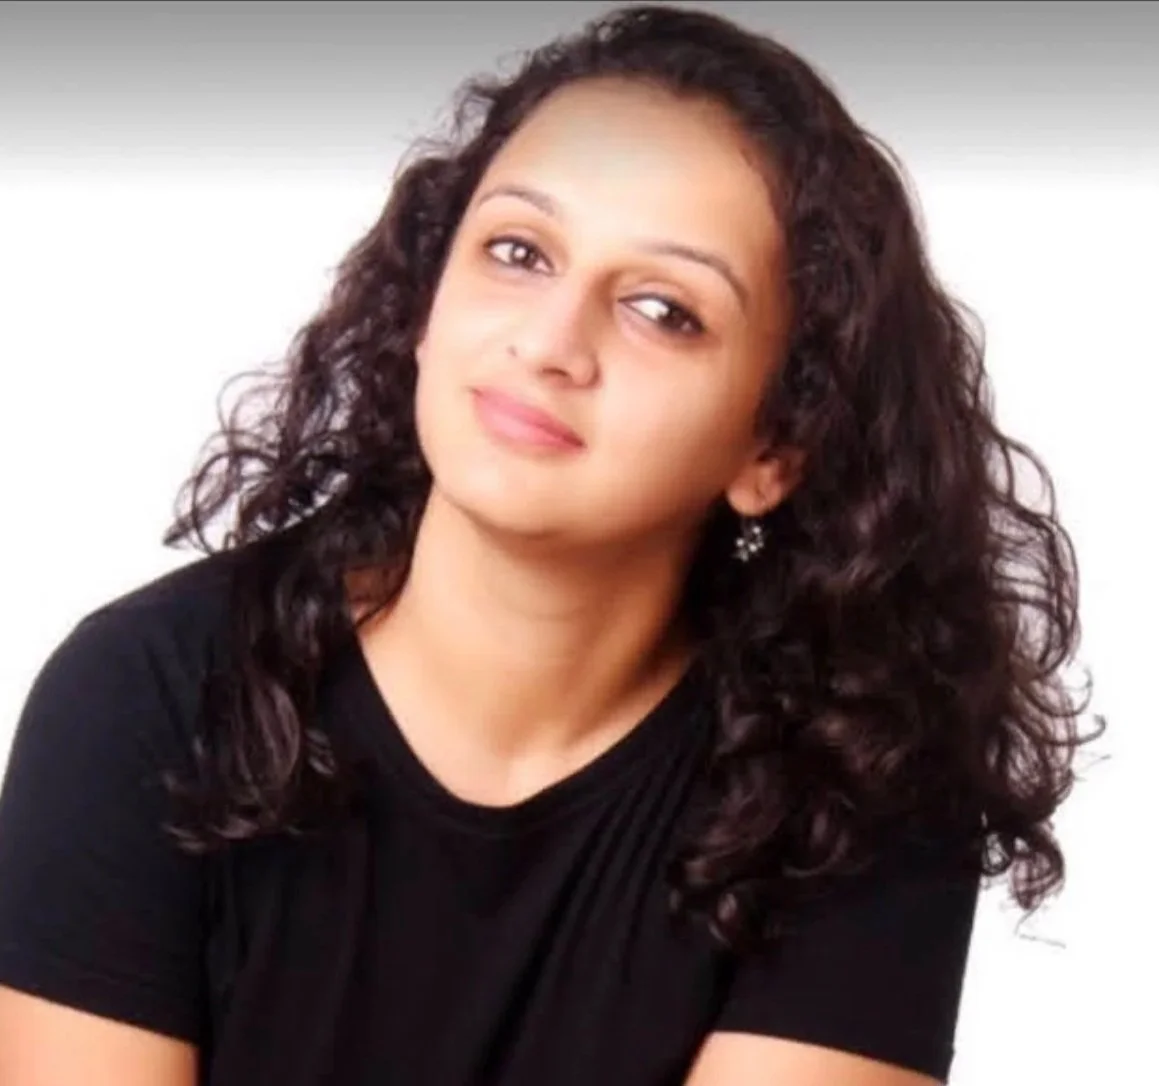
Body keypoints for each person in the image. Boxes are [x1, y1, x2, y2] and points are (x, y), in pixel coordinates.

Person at [0, 4, 1101, 1085]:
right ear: (427, 302)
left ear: (775, 445)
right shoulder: (146, 696)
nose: (549, 342)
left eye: (663, 310)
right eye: (518, 251)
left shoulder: (858, 784)